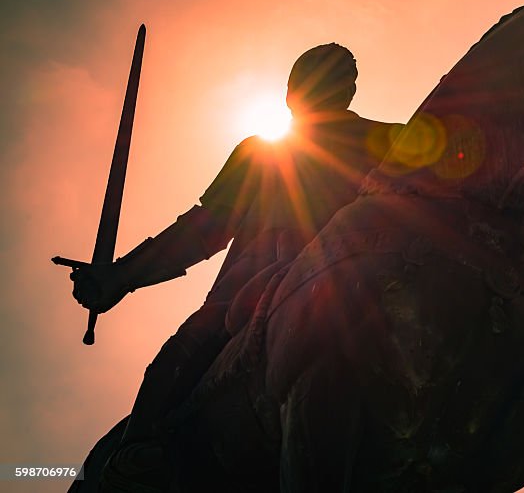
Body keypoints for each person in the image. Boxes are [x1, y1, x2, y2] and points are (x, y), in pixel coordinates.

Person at [70, 43, 400, 473]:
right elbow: (205, 227)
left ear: (348, 89)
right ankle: (137, 460)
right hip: (249, 292)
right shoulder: (261, 154)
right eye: (305, 81)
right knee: (184, 352)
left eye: (328, 78)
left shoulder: (389, 141)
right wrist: (123, 275)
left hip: (349, 281)